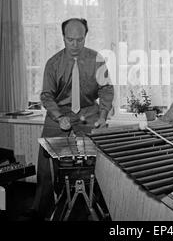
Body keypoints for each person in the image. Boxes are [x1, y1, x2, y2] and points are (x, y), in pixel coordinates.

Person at [31, 18, 114, 220]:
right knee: (45, 157)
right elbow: (46, 96)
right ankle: (41, 209)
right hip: (60, 110)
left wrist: (103, 115)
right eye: (70, 40)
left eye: (80, 39)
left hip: (88, 110)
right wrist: (59, 117)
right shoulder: (53, 63)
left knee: (103, 154)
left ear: (85, 36)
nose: (75, 45)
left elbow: (106, 88)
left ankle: (104, 204)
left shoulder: (98, 59)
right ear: (63, 38)